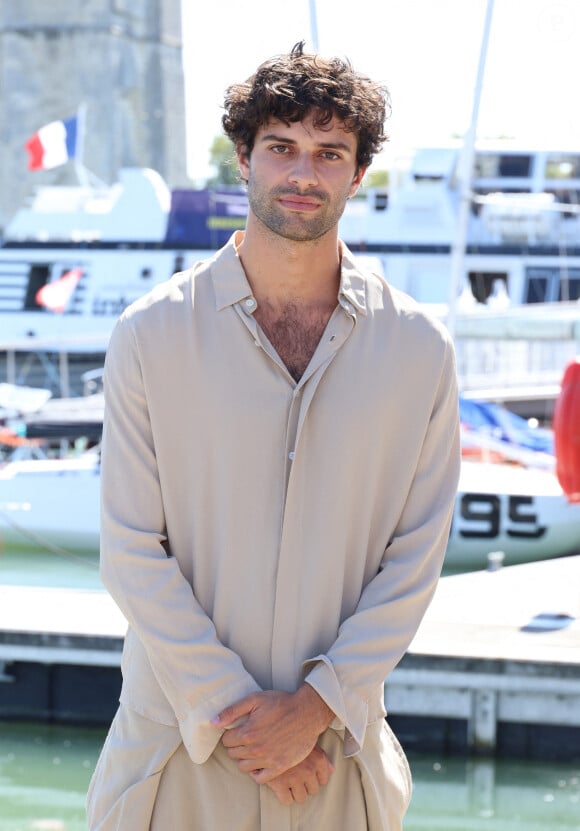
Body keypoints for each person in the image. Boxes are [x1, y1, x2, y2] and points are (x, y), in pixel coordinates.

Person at [87, 41, 460, 830]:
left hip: (338, 764)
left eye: (330, 154)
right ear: (243, 158)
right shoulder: (150, 335)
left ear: (358, 175)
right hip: (173, 766)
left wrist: (317, 707)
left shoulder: (421, 349)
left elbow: (416, 558)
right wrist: (240, 715)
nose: (303, 173)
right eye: (282, 148)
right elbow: (129, 550)